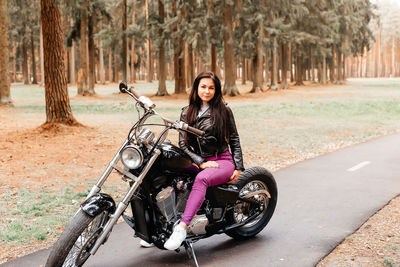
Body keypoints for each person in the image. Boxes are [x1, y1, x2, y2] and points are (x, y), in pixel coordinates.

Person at [163, 72, 244, 250]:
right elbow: (182, 144)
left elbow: (234, 138)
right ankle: (156, 227)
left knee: (202, 179)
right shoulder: (186, 111)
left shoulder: (224, 109)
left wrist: (238, 167)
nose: (207, 91)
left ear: (216, 90)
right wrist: (200, 162)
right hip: (200, 161)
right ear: (196, 88)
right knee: (166, 169)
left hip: (222, 160)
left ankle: (182, 228)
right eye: (203, 87)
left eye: (211, 87)